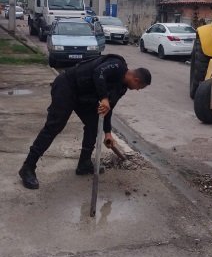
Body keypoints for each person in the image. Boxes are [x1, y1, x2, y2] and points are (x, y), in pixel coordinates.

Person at [19, 54, 151, 189]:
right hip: (67, 85)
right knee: (54, 126)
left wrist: (107, 133)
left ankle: (84, 163)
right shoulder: (117, 65)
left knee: (93, 125)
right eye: (140, 87)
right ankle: (28, 168)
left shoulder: (121, 88)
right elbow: (98, 72)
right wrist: (104, 97)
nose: (138, 90)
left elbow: (108, 109)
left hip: (83, 95)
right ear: (136, 80)